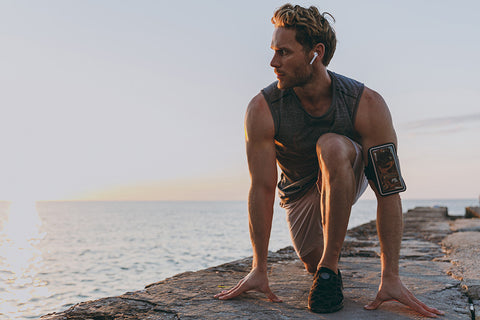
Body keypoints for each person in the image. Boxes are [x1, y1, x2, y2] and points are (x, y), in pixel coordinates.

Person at [215, 4, 444, 317]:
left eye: (283, 52)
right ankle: (321, 263)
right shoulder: (262, 109)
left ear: (315, 53)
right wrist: (259, 268)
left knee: (332, 145)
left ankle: (330, 271)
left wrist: (390, 276)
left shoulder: (367, 104)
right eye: (273, 51)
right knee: (311, 258)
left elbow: (388, 189)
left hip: (347, 168)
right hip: (298, 195)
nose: (273, 62)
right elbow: (262, 188)